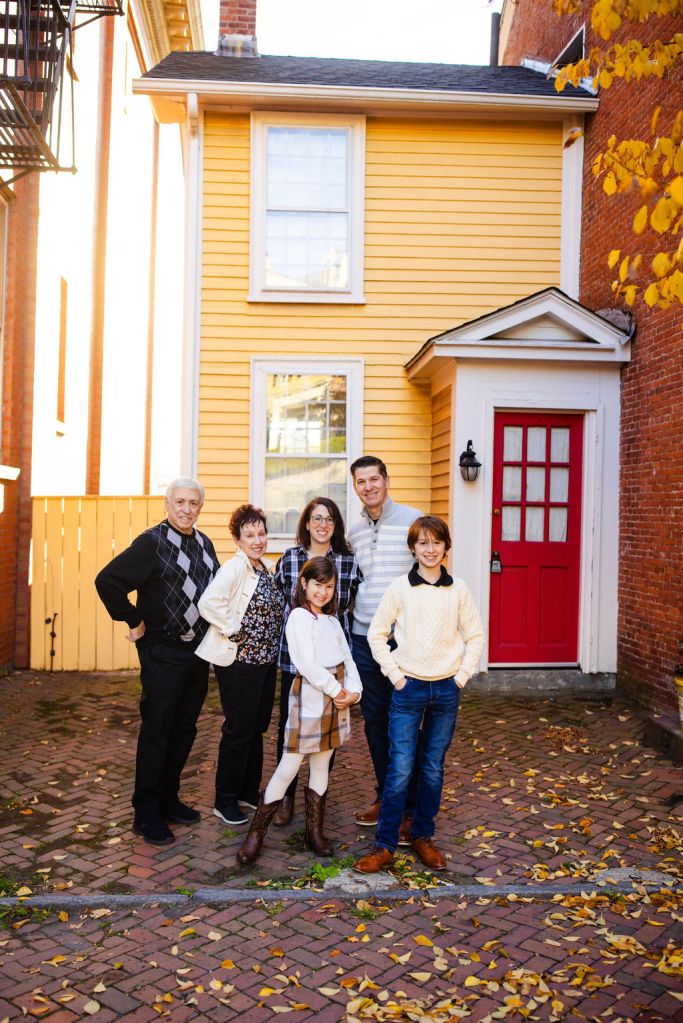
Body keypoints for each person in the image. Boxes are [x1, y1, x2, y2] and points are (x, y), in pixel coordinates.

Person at [353, 515, 484, 874]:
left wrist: (461, 677)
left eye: (436, 542)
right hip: (408, 688)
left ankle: (422, 836)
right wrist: (395, 675)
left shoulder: (458, 589)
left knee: (431, 769)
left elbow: (474, 636)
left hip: (446, 690)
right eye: (423, 543)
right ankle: (385, 846)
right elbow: (376, 634)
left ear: (445, 547)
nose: (430, 549)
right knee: (399, 769)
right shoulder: (399, 588)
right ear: (413, 548)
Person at [95, 477, 219, 846]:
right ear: (167, 503)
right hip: (163, 651)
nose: (186, 508)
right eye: (179, 501)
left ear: (200, 507)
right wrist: (133, 619)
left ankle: (168, 799)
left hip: (197, 653)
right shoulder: (152, 542)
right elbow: (108, 580)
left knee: (184, 730)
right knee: (158, 730)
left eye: (193, 502)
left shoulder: (204, 544)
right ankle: (145, 812)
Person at [237, 557, 362, 865]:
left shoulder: (332, 622)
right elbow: (305, 664)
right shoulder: (297, 617)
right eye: (317, 584)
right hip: (312, 698)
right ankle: (255, 835)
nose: (323, 592)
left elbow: (349, 659)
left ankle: (314, 832)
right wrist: (336, 691)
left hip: (338, 699)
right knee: (289, 766)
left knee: (321, 765)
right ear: (304, 584)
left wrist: (355, 692)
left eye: (329, 586)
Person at [272, 497, 361, 826]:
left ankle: (316, 797)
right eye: (317, 518)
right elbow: (281, 601)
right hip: (295, 661)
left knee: (328, 730)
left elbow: (350, 605)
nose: (323, 525)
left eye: (330, 520)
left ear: (335, 527)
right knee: (291, 729)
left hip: (334, 660)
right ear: (307, 523)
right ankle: (285, 797)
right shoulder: (289, 559)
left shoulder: (347, 562)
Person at [198, 504, 285, 827]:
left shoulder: (265, 568)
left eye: (261, 533)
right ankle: (225, 800)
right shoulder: (235, 568)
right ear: (237, 539)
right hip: (240, 663)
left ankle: (248, 791)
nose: (257, 539)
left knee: (257, 728)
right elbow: (209, 602)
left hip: (264, 663)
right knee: (238, 730)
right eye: (250, 535)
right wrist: (235, 627)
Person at [348, 455, 422, 831]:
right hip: (363, 638)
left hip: (401, 642)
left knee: (405, 721)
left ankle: (409, 808)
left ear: (386, 481)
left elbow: (427, 574)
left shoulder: (413, 520)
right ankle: (385, 796)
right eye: (361, 482)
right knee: (374, 721)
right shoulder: (354, 531)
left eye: (374, 479)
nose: (368, 487)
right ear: (355, 487)